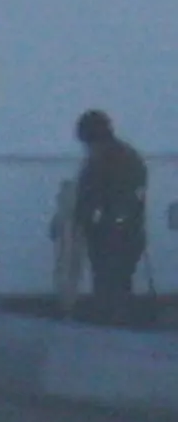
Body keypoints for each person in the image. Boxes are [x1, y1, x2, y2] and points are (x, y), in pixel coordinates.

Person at [71, 110, 149, 317]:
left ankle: (116, 321)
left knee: (116, 281)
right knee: (105, 281)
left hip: (121, 234)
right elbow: (86, 195)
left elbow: (129, 199)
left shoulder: (125, 161)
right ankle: (109, 318)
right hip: (104, 233)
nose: (88, 148)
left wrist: (113, 221)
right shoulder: (97, 160)